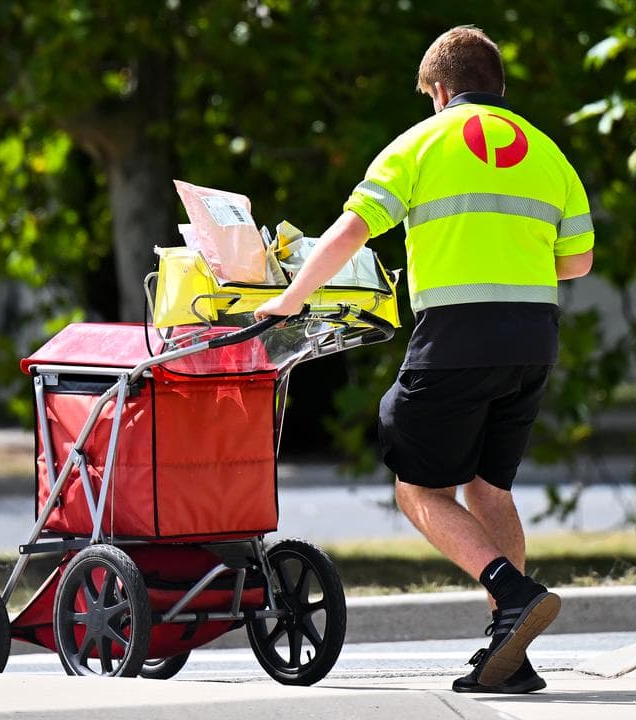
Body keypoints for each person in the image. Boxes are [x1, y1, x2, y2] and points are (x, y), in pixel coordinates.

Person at [254, 25, 594, 693]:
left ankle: (511, 591)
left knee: (418, 486)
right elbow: (576, 261)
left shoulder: (420, 143)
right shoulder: (548, 153)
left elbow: (353, 228)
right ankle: (511, 654)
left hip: (457, 341)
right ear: (497, 87)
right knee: (489, 488)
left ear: (438, 92)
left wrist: (291, 299)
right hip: (532, 340)